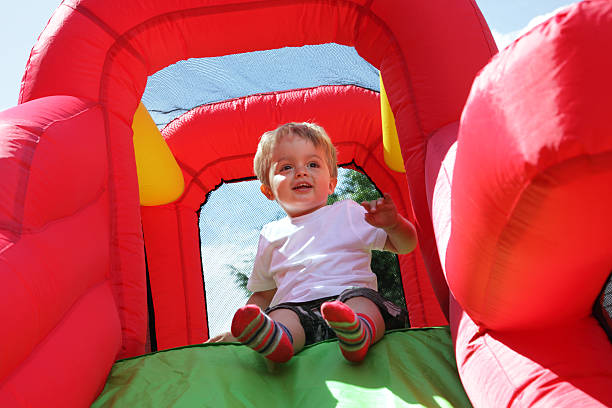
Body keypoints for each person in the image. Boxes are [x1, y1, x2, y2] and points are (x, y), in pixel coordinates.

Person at [207, 122, 417, 363]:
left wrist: (393, 225)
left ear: (331, 183)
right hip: (298, 309)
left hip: (348, 297)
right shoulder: (270, 233)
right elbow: (263, 296)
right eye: (286, 167)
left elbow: (404, 245)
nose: (301, 172)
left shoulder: (348, 212)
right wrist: (237, 331)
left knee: (363, 300)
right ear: (268, 191)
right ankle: (278, 340)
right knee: (283, 313)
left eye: (313, 164)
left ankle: (359, 331)